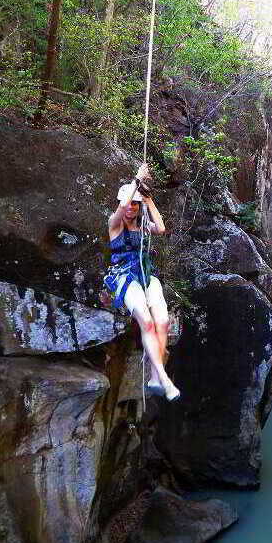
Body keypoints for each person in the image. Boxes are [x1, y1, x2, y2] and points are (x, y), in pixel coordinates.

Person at [103, 163, 180, 402]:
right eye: (130, 204)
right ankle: (162, 377)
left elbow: (161, 227)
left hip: (146, 275)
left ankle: (156, 377)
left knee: (163, 321)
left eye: (135, 205)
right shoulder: (114, 224)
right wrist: (136, 180)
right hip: (123, 277)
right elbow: (122, 207)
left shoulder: (142, 226)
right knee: (146, 323)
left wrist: (148, 200)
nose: (131, 208)